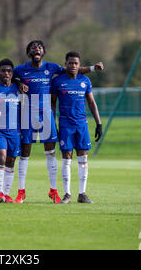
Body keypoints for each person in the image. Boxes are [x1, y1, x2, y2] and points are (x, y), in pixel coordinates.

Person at [12, 40, 103, 203]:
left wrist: (92, 69)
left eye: (39, 47)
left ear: (43, 52)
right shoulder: (20, 70)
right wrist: (18, 82)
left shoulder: (52, 68)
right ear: (28, 52)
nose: (36, 49)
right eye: (33, 48)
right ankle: (21, 192)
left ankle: (54, 191)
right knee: (25, 154)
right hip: (27, 114)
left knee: (51, 153)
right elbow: (6, 76)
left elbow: (73, 70)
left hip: (46, 114)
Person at [51, 51, 102, 204]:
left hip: (82, 125)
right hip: (65, 124)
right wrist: (53, 124)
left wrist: (99, 124)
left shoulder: (85, 81)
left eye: (75, 63)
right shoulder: (58, 81)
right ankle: (67, 194)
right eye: (70, 63)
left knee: (83, 158)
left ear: (79, 65)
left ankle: (82, 194)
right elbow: (52, 103)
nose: (73, 65)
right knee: (66, 158)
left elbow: (92, 103)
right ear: (65, 64)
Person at [0, 59, 21, 203]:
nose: (6, 73)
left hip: (15, 131)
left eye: (9, 71)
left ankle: (6, 194)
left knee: (11, 161)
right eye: (3, 71)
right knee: (1, 157)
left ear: (12, 73)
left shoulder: (18, 88)